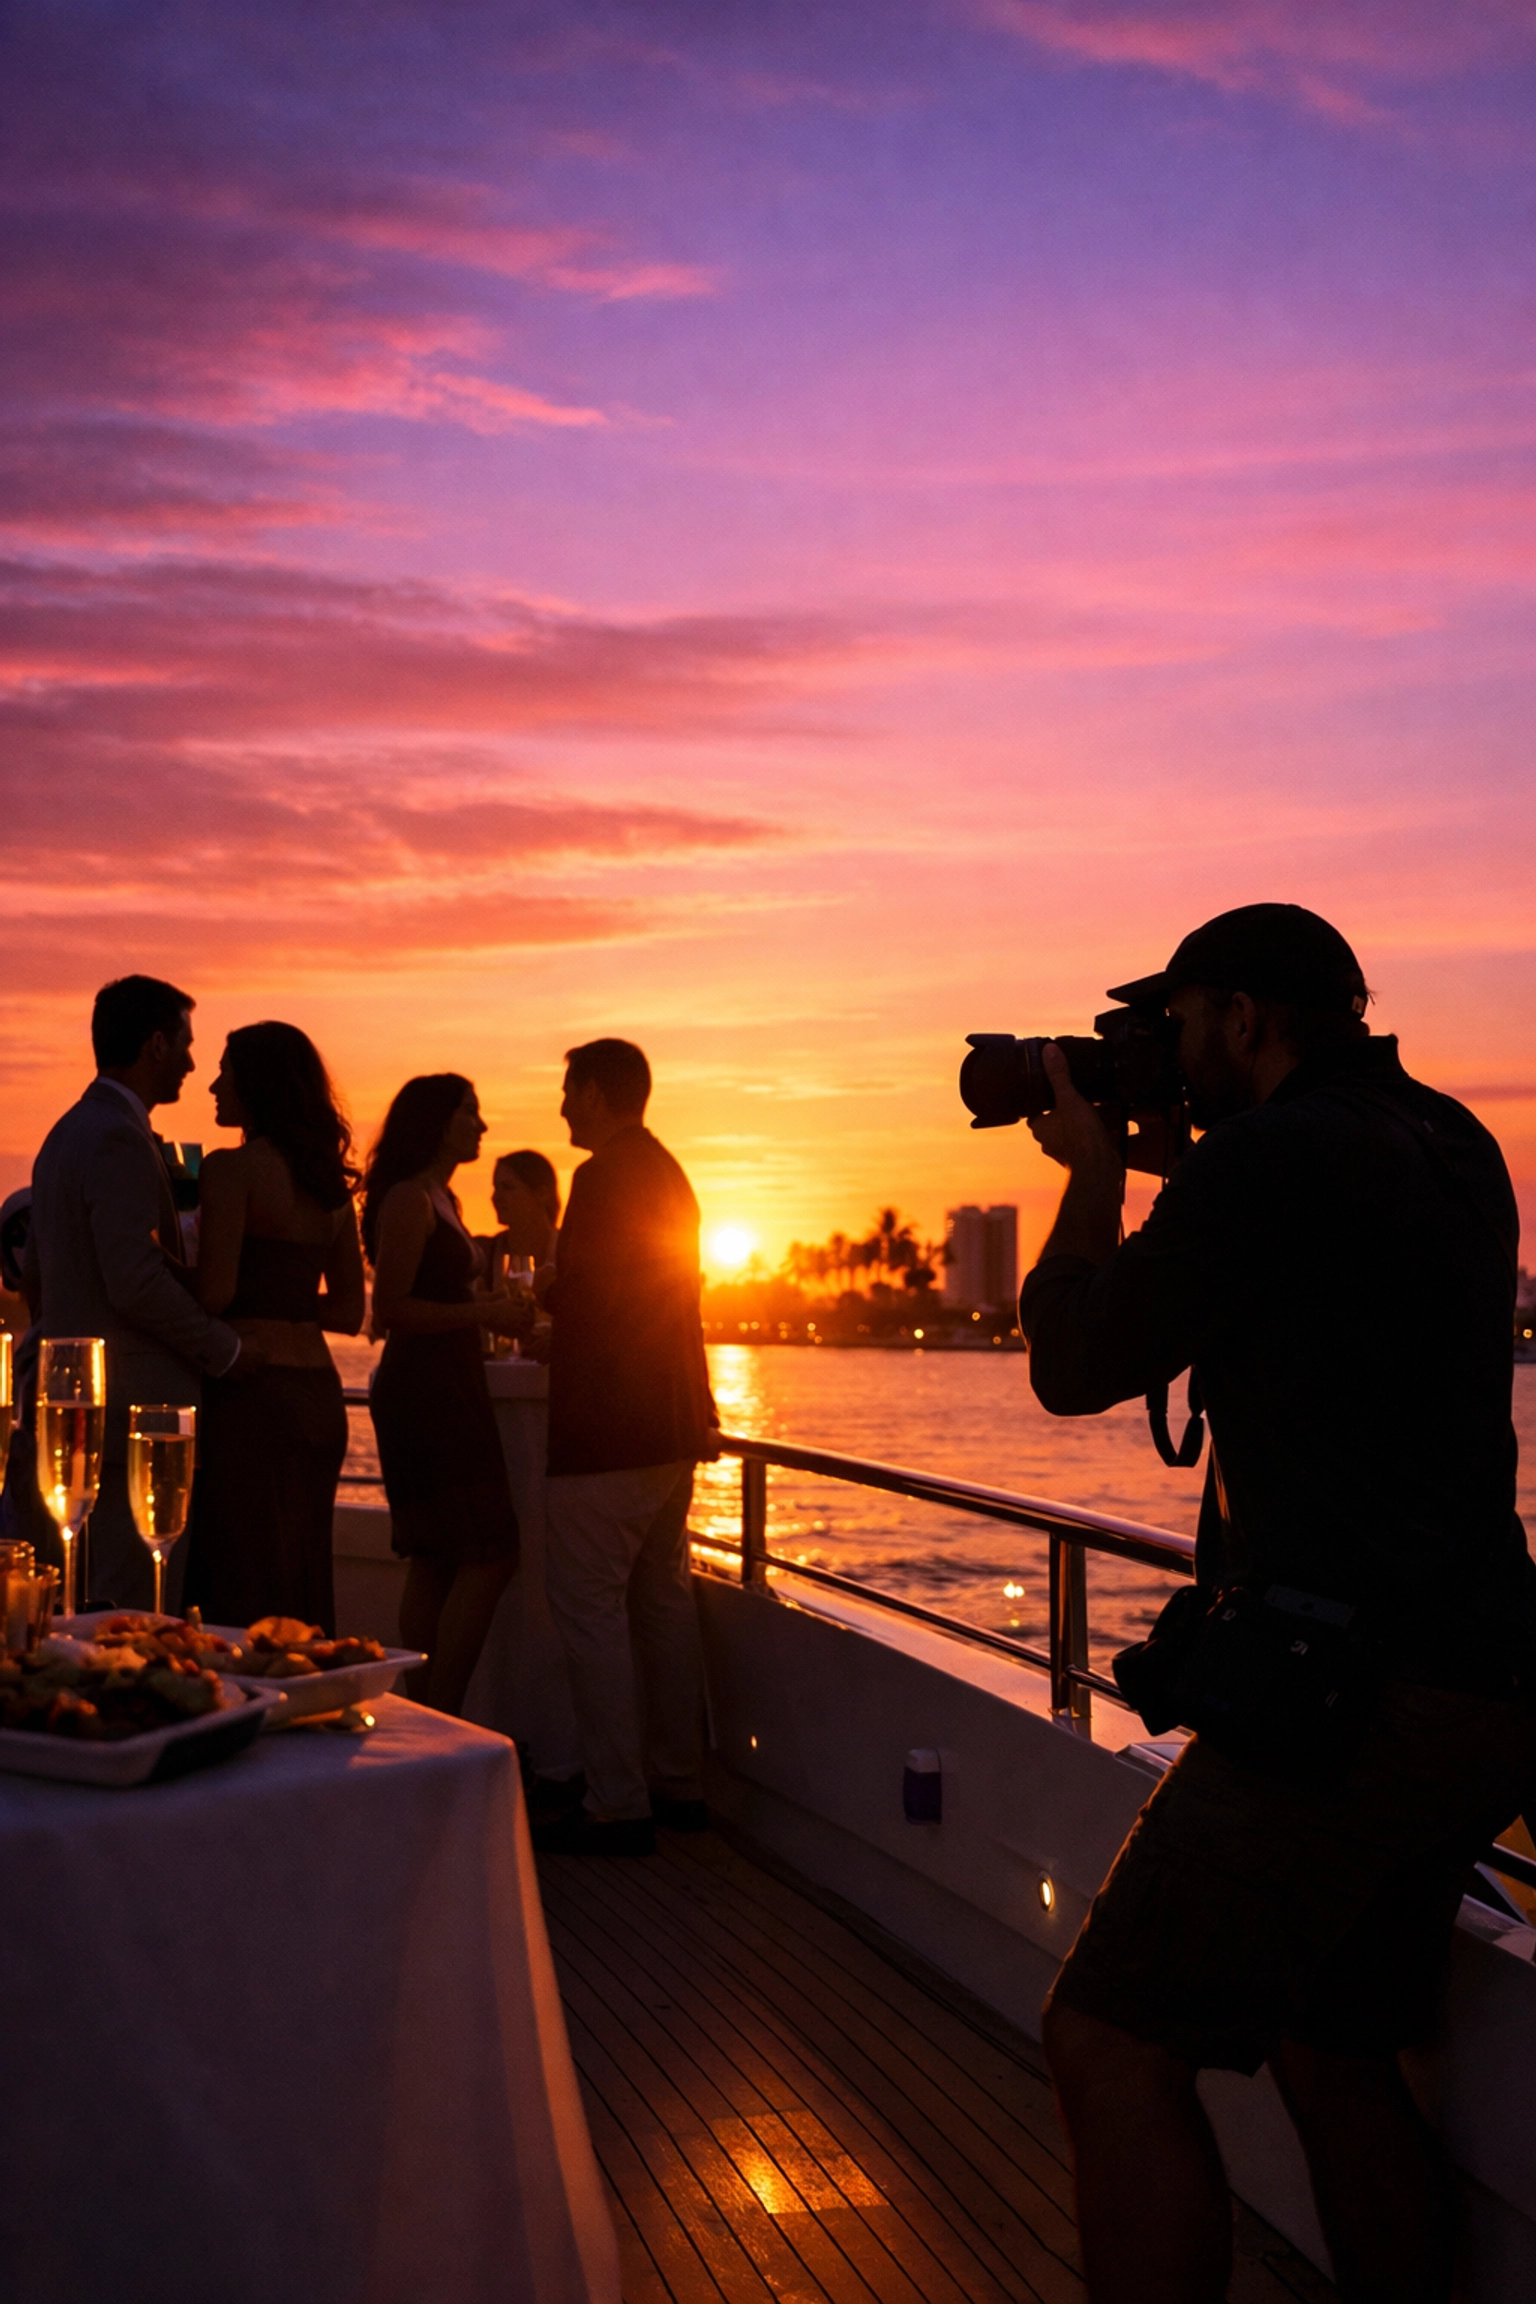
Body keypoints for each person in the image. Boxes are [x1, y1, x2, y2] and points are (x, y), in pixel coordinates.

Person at [1018, 904, 1536, 2304]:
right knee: (1332, 2043)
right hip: (1485, 1683)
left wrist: (1093, 1177)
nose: (1167, 1049)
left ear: (1243, 1017)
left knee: (1109, 2043)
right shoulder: (1451, 1140)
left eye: (1180, 1021)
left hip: (1348, 1704)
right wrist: (1186, 1162)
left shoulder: (1267, 1159)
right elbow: (1327, 1276)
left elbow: (1073, 1362)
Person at [535, 1038, 717, 1858]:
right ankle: (679, 1782)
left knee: (591, 1610)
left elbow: (595, 1297)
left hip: (608, 1430)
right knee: (661, 1606)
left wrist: (548, 1293)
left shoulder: (602, 1177)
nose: (562, 1106)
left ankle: (616, 1800)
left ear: (597, 1094)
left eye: (569, 1091)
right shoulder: (670, 1175)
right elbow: (678, 1301)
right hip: (670, 1428)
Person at [25, 976, 243, 1610]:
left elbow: (37, 1275)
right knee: (131, 1609)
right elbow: (134, 1280)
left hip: (73, 1409)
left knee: (80, 1603)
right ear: (155, 1045)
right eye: (186, 1044)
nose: (192, 1064)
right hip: (130, 1418)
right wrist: (223, 1349)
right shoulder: (119, 1137)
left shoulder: (64, 1135)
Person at [182, 1023, 365, 1633]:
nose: (214, 1086)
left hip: (254, 1398)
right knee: (303, 1567)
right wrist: (289, 1302)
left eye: (225, 1072)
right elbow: (348, 1313)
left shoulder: (229, 1170)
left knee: (243, 1571)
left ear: (256, 1084)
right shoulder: (330, 1188)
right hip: (319, 1396)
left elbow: (214, 1294)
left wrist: (158, 1262)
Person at [364, 1074, 527, 1713]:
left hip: (444, 1384)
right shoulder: (410, 1199)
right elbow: (393, 1309)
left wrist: (486, 1310)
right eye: (470, 1112)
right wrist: (483, 1313)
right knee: (489, 1553)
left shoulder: (443, 1198)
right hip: (426, 1392)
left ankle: (428, 1714)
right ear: (437, 1122)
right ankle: (443, 1711)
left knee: (434, 1556)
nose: (482, 1125)